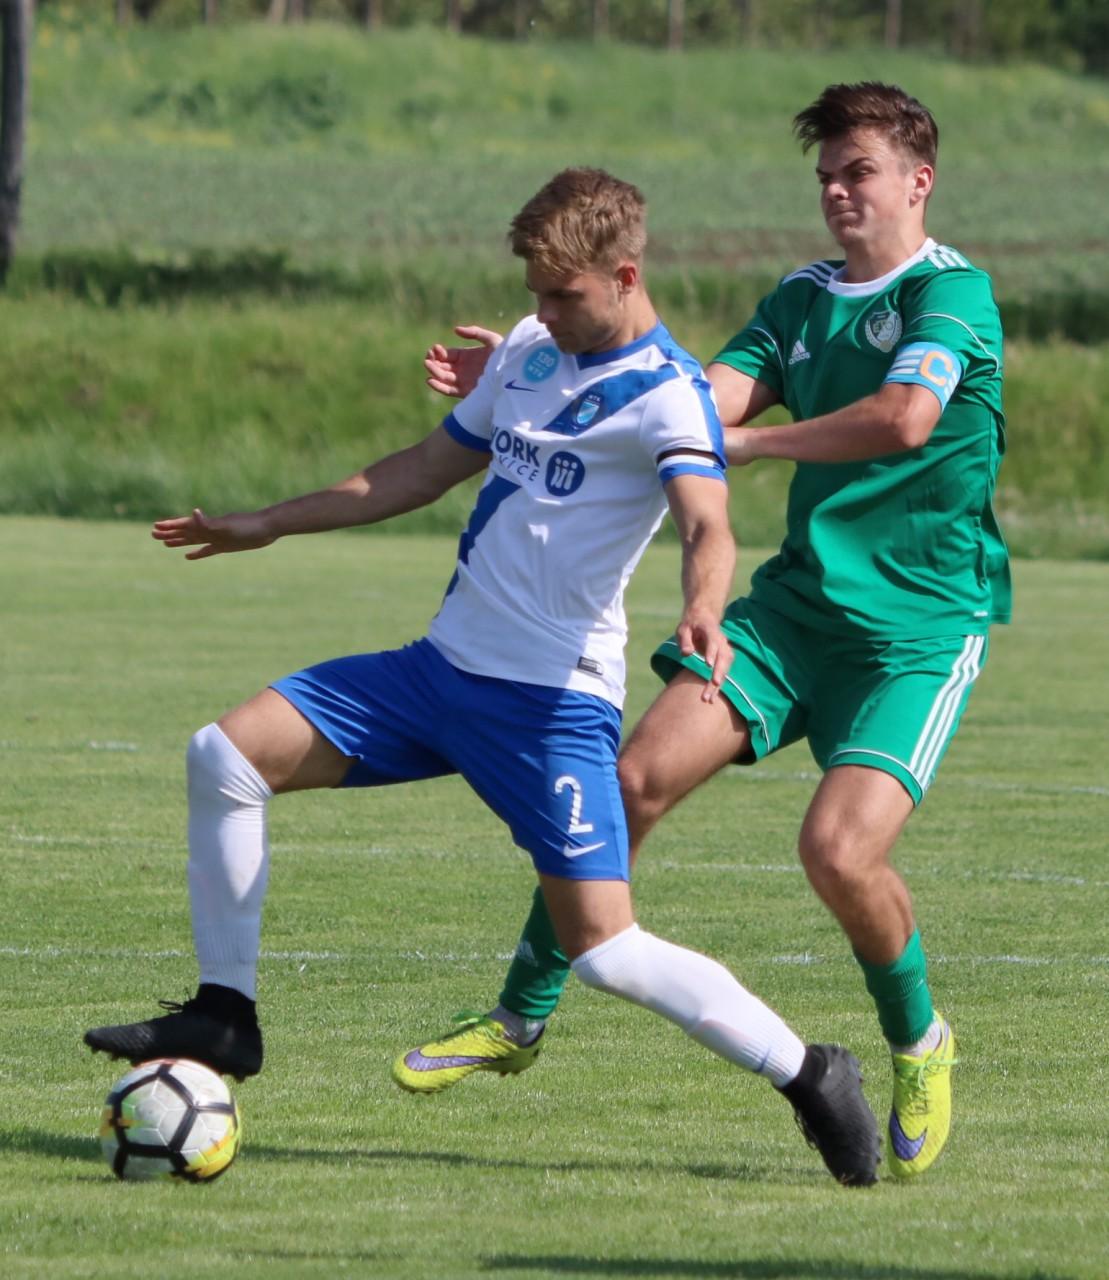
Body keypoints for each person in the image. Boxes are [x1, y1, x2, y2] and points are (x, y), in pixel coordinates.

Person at [83, 167, 881, 1188]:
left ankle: (810, 1072)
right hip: (435, 675)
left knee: (604, 951)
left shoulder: (669, 395)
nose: (543, 312)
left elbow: (706, 524)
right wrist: (271, 520)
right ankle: (224, 1014)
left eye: (563, 294)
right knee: (224, 756)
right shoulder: (529, 349)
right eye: (534, 291)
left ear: (625, 275)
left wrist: (702, 606)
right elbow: (420, 469)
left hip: (547, 710)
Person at [401, 83, 1007, 1182]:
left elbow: (905, 417)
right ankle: (518, 1018)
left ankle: (919, 1038)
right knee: (627, 781)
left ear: (917, 181)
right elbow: (692, 393)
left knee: (838, 852)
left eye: (859, 172)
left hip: (916, 631)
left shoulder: (950, 294)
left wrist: (760, 445)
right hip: (794, 611)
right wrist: (541, 380)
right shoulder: (800, 298)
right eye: (825, 175)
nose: (837, 192)